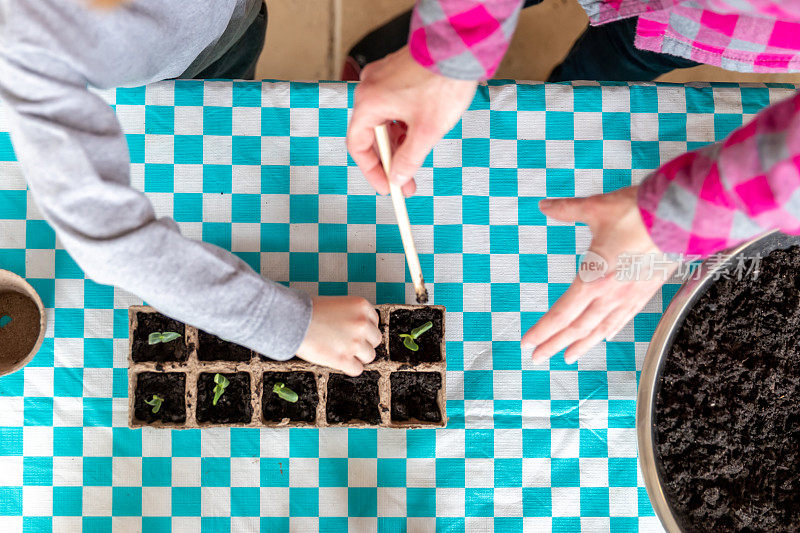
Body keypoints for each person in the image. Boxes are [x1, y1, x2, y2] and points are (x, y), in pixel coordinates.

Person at [346, 0, 800, 364]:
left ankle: (562, 83)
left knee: (610, 62)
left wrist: (682, 216)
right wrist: (450, 45)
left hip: (703, 21)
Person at [0, 0, 381, 376]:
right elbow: (110, 241)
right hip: (161, 65)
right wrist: (292, 326)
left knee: (237, 73)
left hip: (229, 24)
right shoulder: (22, 31)